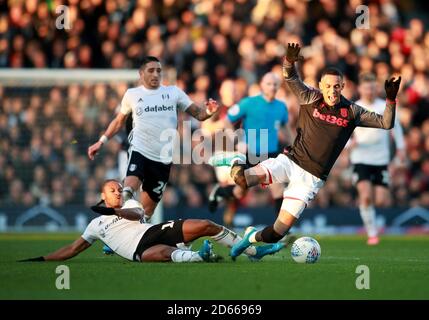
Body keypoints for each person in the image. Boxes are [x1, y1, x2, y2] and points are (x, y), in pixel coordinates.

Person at [211, 43, 401, 259]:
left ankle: (250, 238)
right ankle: (236, 158)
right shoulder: (311, 98)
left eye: (337, 86)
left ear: (343, 86)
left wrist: (391, 100)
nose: (332, 90)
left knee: (277, 232)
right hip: (289, 161)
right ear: (321, 85)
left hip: (311, 179)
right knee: (242, 180)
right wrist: (289, 61)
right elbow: (291, 78)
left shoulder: (352, 111)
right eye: (328, 86)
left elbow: (386, 123)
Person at [19, 180, 284, 263]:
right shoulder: (95, 226)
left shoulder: (129, 206)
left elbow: (136, 216)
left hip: (155, 231)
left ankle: (252, 251)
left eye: (120, 188)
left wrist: (118, 213)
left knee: (205, 224)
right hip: (139, 250)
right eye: (112, 189)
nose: (118, 191)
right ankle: (203, 258)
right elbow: (72, 249)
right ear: (102, 195)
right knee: (164, 255)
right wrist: (41, 260)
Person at [87, 56, 219, 223]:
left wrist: (209, 112)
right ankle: (120, 208)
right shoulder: (132, 95)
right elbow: (119, 121)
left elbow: (199, 114)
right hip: (140, 149)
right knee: (128, 190)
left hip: (163, 159)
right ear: (141, 74)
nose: (156, 74)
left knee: (145, 214)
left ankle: (125, 231)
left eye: (158, 71)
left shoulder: (173, 93)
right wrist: (101, 141)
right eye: (151, 70)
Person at [208, 72, 292, 226]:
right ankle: (221, 192)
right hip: (249, 153)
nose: (272, 87)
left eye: (275, 84)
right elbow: (226, 120)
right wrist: (235, 139)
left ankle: (281, 229)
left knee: (277, 188)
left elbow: (285, 128)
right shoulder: (249, 103)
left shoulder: (281, 107)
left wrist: (293, 145)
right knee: (241, 191)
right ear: (261, 85)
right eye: (269, 84)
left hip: (270, 154)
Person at [348, 73, 406, 245]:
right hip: (360, 159)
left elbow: (396, 128)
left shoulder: (385, 106)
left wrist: (401, 148)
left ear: (377, 89)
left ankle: (370, 219)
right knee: (365, 196)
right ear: (360, 89)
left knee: (381, 200)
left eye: (373, 87)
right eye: (366, 87)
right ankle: (372, 233)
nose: (370, 91)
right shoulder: (354, 107)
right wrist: (349, 144)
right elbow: (342, 133)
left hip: (381, 160)